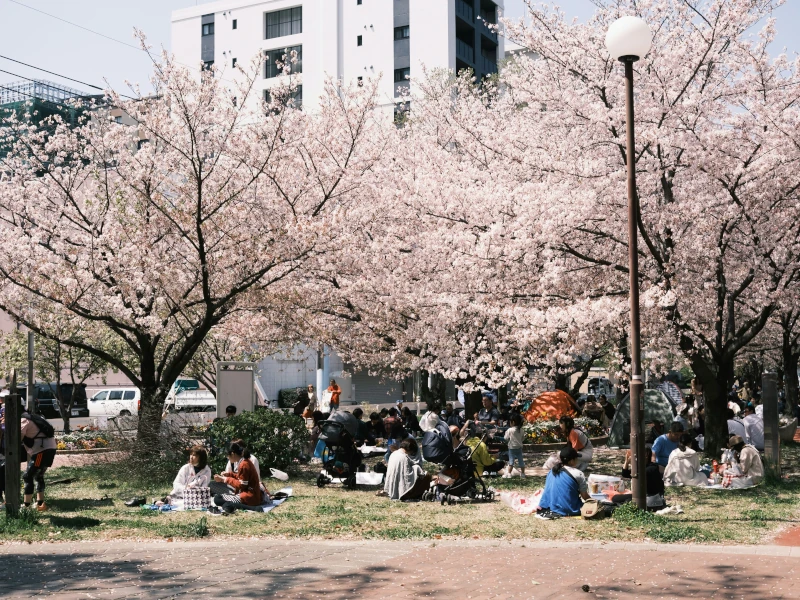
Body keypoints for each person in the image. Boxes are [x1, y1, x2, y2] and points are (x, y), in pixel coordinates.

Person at [537, 446, 590, 519]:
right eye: (576, 458)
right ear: (571, 461)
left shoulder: (552, 471)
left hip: (548, 507)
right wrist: (594, 501)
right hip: (568, 510)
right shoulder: (578, 473)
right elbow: (585, 496)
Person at [212, 442, 264, 513]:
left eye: (228, 455)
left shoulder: (244, 464)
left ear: (233, 454)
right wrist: (230, 474)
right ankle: (229, 505)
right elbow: (243, 478)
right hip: (251, 495)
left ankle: (251, 508)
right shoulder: (245, 461)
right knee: (221, 499)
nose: (227, 458)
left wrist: (225, 479)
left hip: (249, 496)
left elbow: (242, 485)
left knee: (217, 499)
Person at [20, 411, 57, 511]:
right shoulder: (34, 418)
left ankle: (26, 506)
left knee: (27, 476)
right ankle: (40, 504)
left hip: (41, 452)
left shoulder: (24, 420)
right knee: (38, 476)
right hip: (50, 449)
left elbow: (18, 436)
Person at [504, 413, 525, 477]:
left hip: (512, 448)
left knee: (511, 461)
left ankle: (509, 474)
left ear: (513, 422)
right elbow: (523, 438)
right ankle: (523, 474)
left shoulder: (510, 430)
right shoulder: (521, 430)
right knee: (521, 461)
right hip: (519, 448)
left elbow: (506, 438)